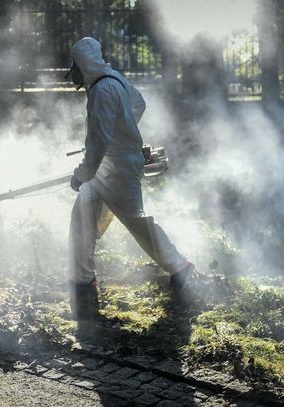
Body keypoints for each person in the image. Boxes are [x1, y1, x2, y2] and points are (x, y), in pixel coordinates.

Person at [66, 37, 194, 321]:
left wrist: (82, 174)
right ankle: (83, 280)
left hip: (116, 170)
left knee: (137, 222)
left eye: (74, 66)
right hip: (109, 166)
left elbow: (98, 143)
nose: (72, 73)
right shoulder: (115, 79)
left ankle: (179, 266)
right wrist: (125, 129)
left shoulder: (102, 90)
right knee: (82, 216)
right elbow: (139, 104)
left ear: (82, 64)